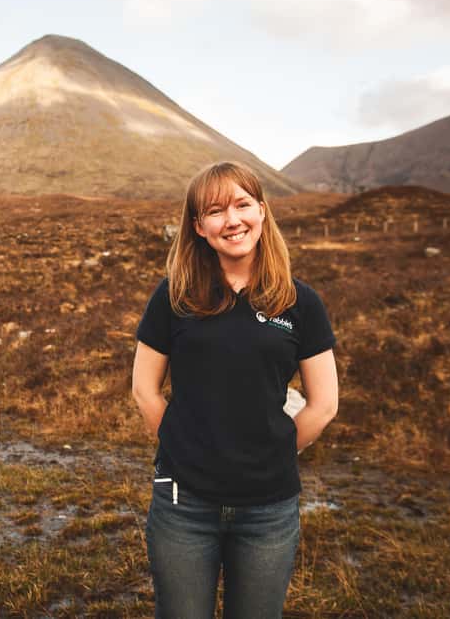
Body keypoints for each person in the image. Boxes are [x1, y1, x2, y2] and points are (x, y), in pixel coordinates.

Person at [132, 161, 339, 618]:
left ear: (262, 211)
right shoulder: (173, 295)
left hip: (269, 509)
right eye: (215, 211)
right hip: (183, 505)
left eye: (243, 205)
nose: (232, 220)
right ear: (198, 226)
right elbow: (145, 390)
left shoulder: (300, 302)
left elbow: (324, 404)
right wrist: (184, 449)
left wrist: (273, 454)